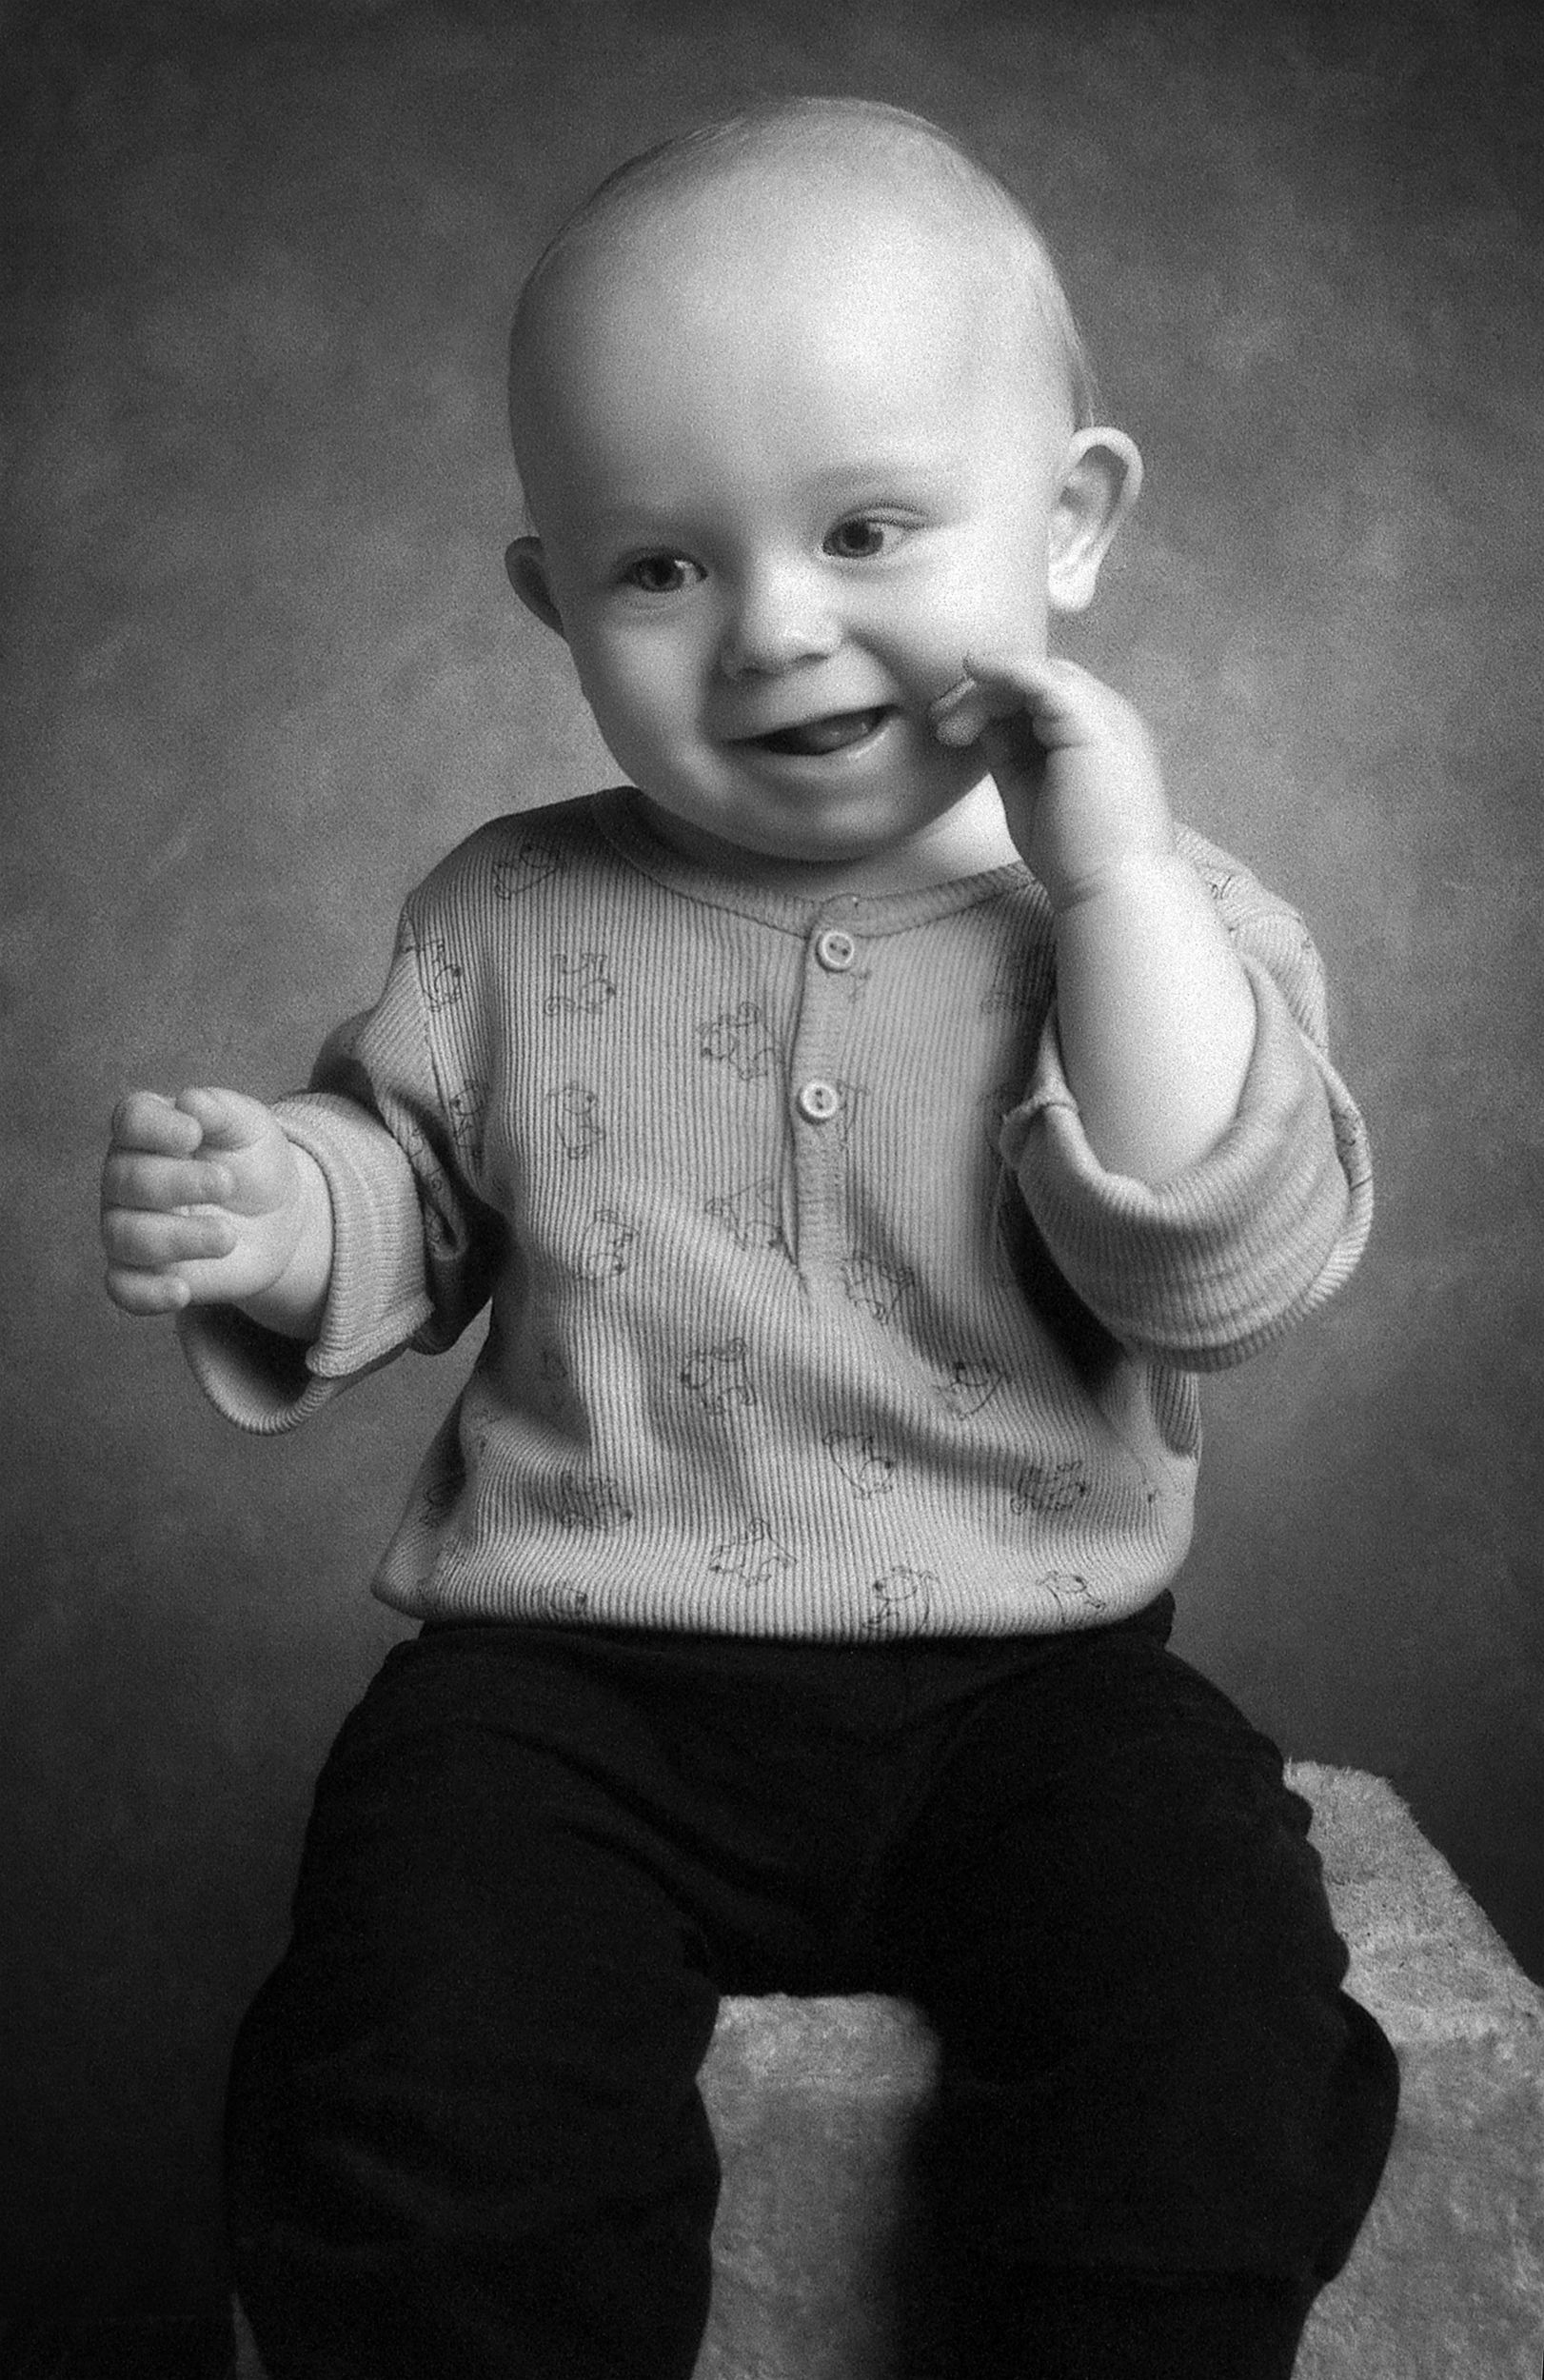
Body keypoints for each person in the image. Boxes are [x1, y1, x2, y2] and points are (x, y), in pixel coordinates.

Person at [99, 96, 1398, 2380]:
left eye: (867, 527)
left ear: (1069, 519)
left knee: (1211, 2013)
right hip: (568, 1684)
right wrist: (285, 1209)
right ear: (553, 603)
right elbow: (413, 1184)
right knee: (414, 2066)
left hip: (1030, 1678)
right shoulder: (509, 905)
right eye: (660, 568)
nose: (776, 627)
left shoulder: (1164, 925)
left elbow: (1210, 1263)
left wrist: (1109, 884)